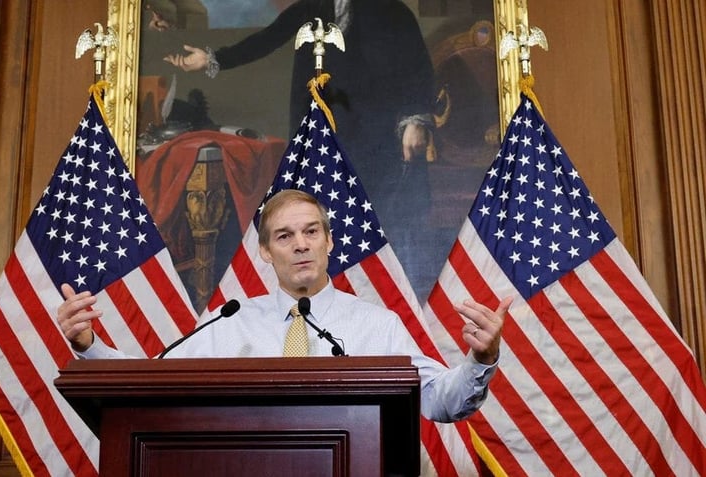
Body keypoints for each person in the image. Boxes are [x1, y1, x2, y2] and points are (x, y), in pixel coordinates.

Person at [58, 189, 511, 422]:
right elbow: (150, 383)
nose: (300, 245)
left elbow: (439, 402)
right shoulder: (228, 322)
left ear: (330, 242)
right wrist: (88, 345)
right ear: (265, 252)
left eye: (311, 232)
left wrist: (481, 358)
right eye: (284, 236)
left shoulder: (378, 324)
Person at [162, 0, 442, 290]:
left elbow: (417, 68)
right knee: (318, 225)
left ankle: (391, 301)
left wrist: (415, 119)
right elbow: (265, 40)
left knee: (383, 225)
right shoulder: (310, 9)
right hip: (322, 140)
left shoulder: (392, 11)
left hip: (380, 140)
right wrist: (211, 59)